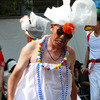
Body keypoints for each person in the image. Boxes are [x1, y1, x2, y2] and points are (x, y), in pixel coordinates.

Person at [7, 0, 97, 100]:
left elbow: (71, 85)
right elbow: (15, 76)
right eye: (59, 32)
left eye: (68, 35)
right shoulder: (32, 47)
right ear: (51, 28)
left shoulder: (70, 53)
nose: (63, 37)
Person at [81, 13, 100, 100]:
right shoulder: (89, 36)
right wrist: (85, 66)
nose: (92, 24)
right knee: (95, 95)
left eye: (94, 22)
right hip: (93, 67)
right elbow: (88, 51)